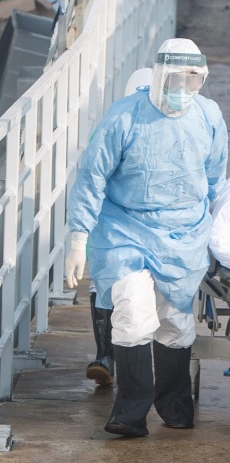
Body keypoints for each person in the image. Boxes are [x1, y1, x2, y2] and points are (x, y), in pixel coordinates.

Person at [66, 39, 228, 438]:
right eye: (177, 78)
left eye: (194, 80)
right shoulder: (125, 116)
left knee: (174, 323)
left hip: (184, 236)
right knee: (133, 314)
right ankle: (130, 412)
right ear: (158, 76)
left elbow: (215, 178)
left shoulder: (208, 116)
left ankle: (175, 406)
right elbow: (92, 176)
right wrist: (78, 235)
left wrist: (218, 231)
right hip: (127, 232)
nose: (184, 88)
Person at [82, 68, 153, 388]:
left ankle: (107, 356)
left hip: (121, 223)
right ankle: (108, 357)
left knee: (106, 285)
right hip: (120, 222)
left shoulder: (111, 125)